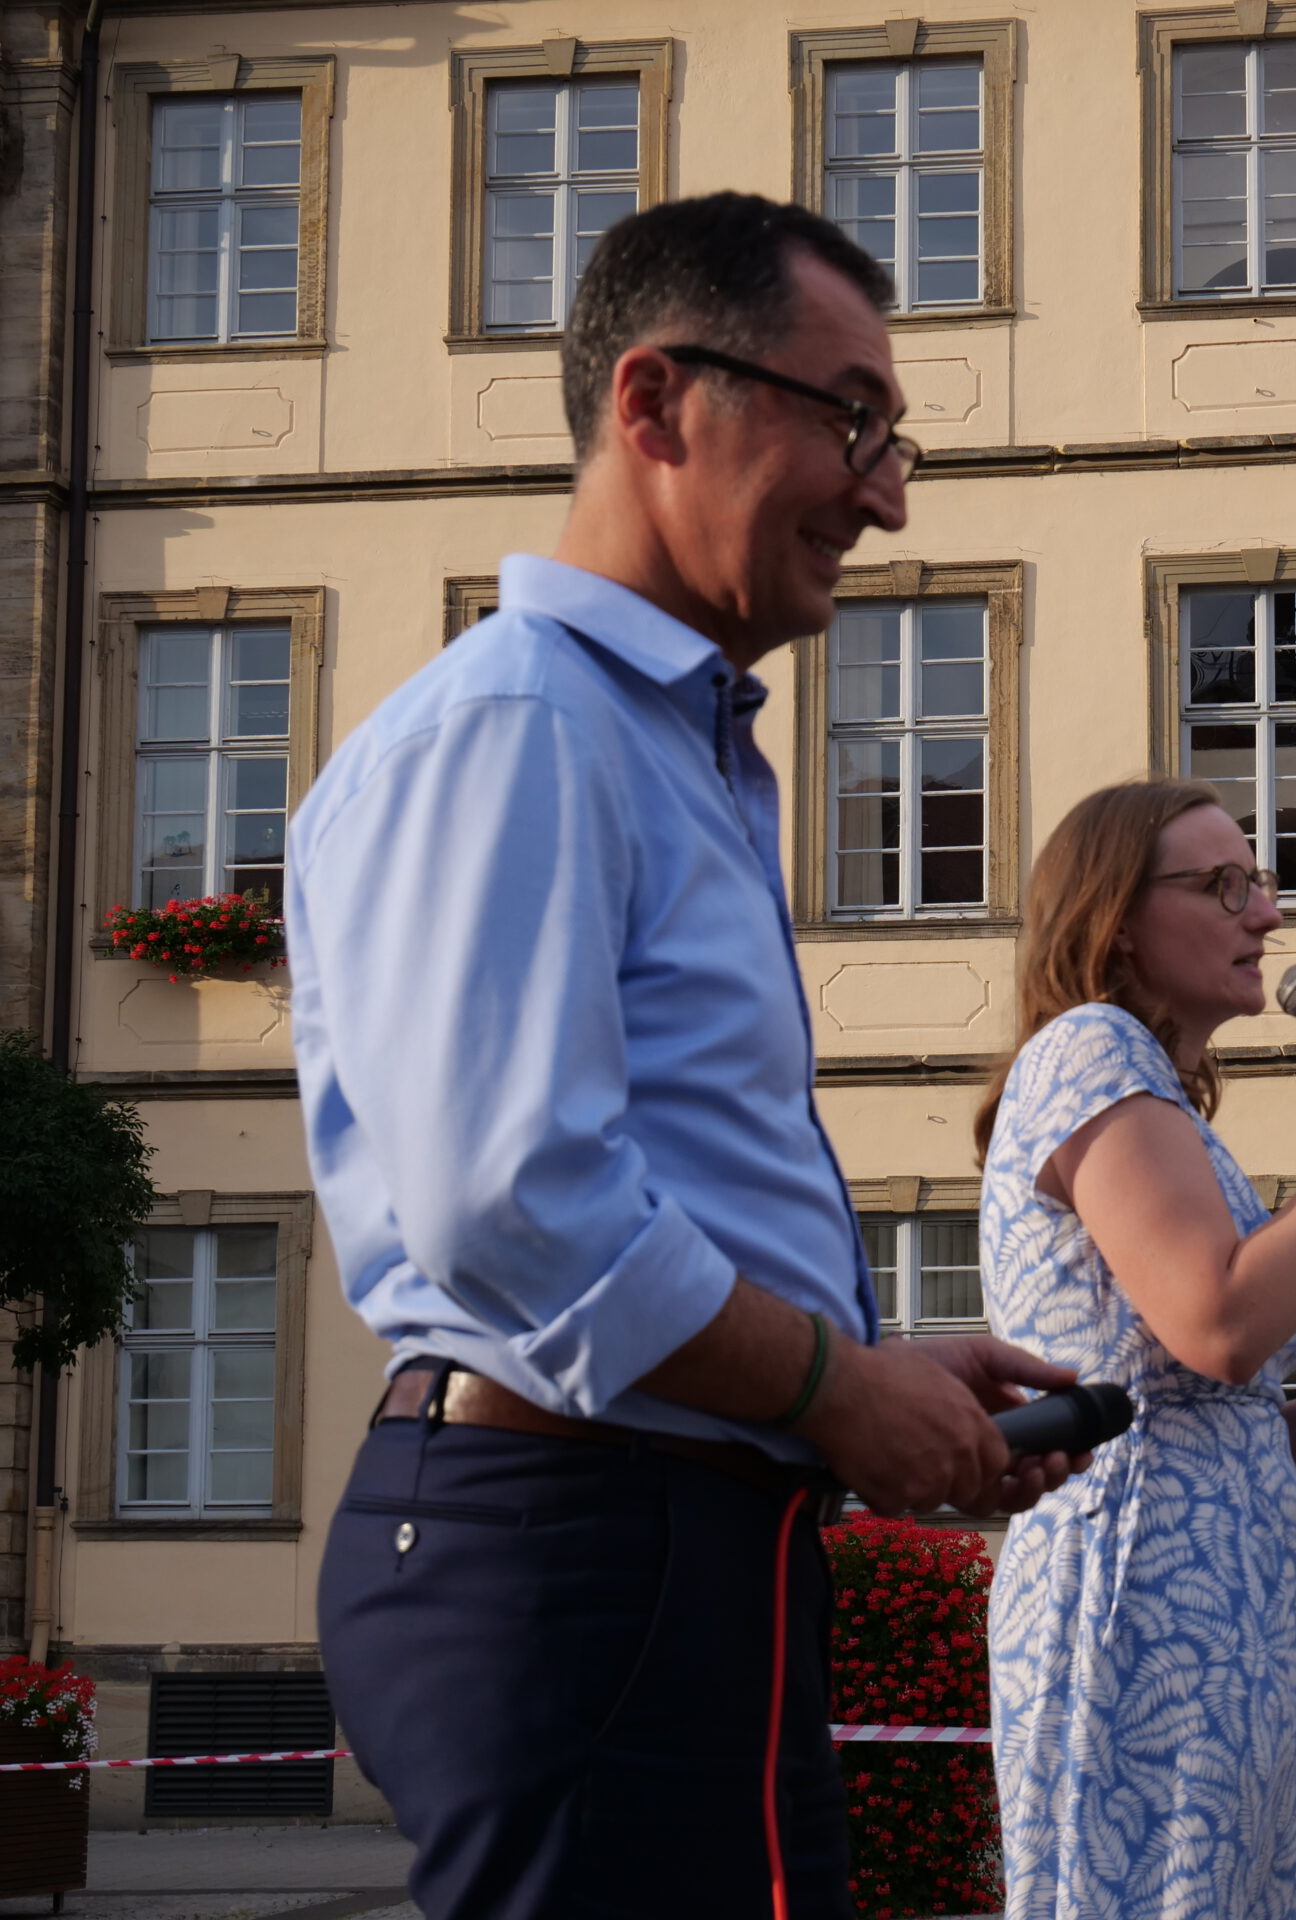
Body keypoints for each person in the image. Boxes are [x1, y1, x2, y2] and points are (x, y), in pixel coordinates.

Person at [291, 194, 1085, 1920]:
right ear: (656, 405)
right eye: (852, 417)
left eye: (898, 437)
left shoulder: (653, 745)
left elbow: (627, 1180)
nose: (884, 491)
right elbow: (516, 1201)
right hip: (583, 1534)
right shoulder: (524, 724)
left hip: (657, 1526)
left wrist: (873, 1376)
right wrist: (832, 1389)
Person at [977, 780, 1296, 1919]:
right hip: (1142, 1598)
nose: (1267, 917)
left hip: (1213, 1595)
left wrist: (1295, 1426)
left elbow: (1165, 1371)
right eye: (1222, 885)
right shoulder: (1091, 1051)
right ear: (1115, 916)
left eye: (1262, 882)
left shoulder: (1152, 1092)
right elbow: (1219, 1325)